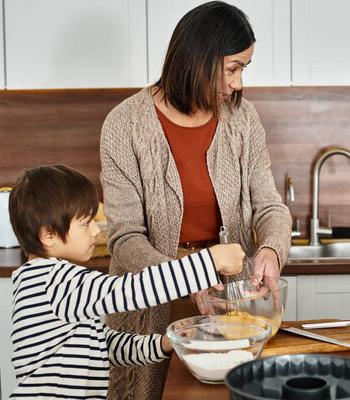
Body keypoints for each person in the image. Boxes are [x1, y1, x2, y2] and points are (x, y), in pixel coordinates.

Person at [99, 2, 291, 398]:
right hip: (150, 301)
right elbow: (125, 239)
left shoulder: (243, 119)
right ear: (198, 58)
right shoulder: (124, 125)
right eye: (233, 68)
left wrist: (271, 248)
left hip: (231, 300)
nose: (237, 84)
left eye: (243, 70)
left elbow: (270, 206)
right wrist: (184, 275)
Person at [7, 164, 244, 398]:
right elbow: (135, 289)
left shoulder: (46, 282)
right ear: (48, 235)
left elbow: (102, 347)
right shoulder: (54, 282)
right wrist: (211, 260)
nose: (96, 232)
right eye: (86, 223)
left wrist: (164, 343)